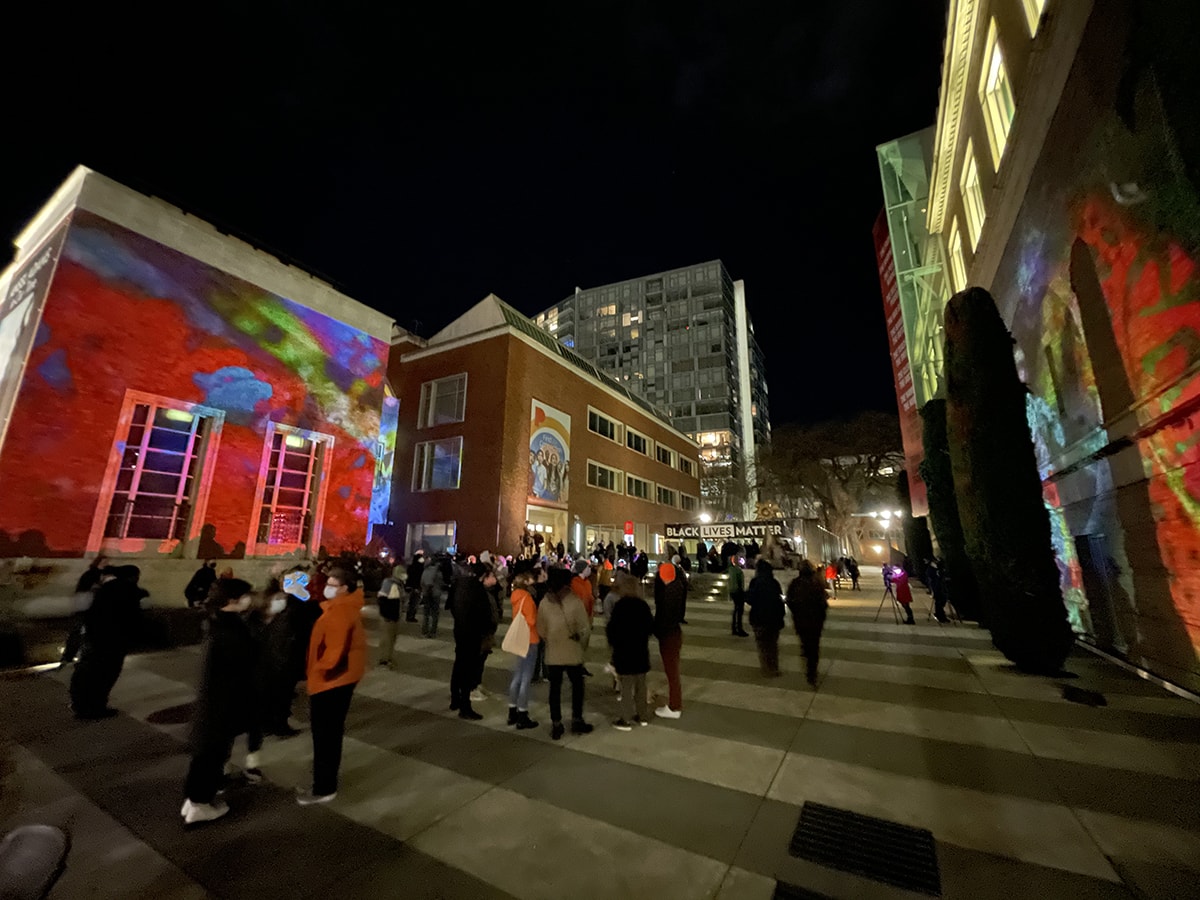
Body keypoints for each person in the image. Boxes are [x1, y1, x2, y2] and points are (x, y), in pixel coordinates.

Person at [181, 578, 260, 825]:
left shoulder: (219, 622)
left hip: (217, 700)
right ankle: (199, 804)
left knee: (209, 753)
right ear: (232, 600)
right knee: (211, 753)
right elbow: (243, 664)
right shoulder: (228, 631)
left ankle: (194, 798)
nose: (249, 600)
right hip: (222, 701)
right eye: (246, 595)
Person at [299, 567, 366, 805]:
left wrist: (319, 672)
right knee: (329, 734)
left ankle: (324, 786)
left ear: (345, 588)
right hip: (338, 678)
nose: (327, 587)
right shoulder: (341, 608)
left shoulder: (341, 612)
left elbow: (335, 653)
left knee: (325, 735)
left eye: (332, 584)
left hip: (332, 682)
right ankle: (324, 782)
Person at [69, 565, 146, 719]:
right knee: (104, 675)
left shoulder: (103, 590)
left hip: (96, 638)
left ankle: (82, 705)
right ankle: (95, 707)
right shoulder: (123, 590)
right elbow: (132, 617)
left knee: (90, 672)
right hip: (112, 640)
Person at [536, 567, 592, 739]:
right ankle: (577, 719)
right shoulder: (574, 601)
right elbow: (584, 629)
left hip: (554, 651)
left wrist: (551, 639)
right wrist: (582, 645)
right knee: (577, 686)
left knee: (555, 688)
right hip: (572, 650)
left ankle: (556, 723)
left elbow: (541, 628)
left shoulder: (545, 602)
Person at [449, 562, 499, 720]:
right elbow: (484, 613)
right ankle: (465, 706)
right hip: (473, 634)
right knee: (467, 669)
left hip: (460, 631)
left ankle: (455, 699)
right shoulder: (476, 590)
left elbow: (450, 606)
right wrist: (486, 630)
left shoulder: (459, 585)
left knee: (459, 665)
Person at [606, 573, 654, 731]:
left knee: (626, 687)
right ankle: (642, 716)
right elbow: (650, 628)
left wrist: (614, 645)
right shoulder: (643, 606)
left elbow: (612, 630)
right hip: (640, 651)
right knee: (641, 686)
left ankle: (625, 719)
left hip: (625, 652)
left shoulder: (621, 607)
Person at [505, 570, 540, 730]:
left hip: (519, 638)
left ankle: (512, 710)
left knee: (517, 676)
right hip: (530, 639)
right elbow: (531, 620)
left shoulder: (515, 597)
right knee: (526, 678)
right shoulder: (527, 598)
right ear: (525, 582)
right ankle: (522, 713)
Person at [59, 555, 108, 668]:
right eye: (104, 562)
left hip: (85, 607)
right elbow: (90, 590)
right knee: (81, 632)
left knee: (80, 632)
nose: (106, 564)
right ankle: (72, 656)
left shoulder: (94, 574)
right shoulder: (94, 575)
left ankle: (70, 657)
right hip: (87, 607)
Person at [786, 561, 829, 686]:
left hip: (801, 620)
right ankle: (812, 673)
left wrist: (795, 613)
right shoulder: (816, 583)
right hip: (815, 622)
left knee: (805, 643)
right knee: (814, 647)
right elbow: (823, 604)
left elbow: (789, 600)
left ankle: (807, 660)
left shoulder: (795, 583)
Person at [653, 561, 685, 719]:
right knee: (672, 671)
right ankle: (675, 704)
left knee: (672, 672)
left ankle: (674, 706)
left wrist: (656, 629)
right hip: (673, 633)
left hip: (668, 635)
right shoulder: (676, 589)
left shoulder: (668, 594)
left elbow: (664, 617)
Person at [746, 559, 784, 677]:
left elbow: (750, 599)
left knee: (762, 645)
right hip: (773, 618)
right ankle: (774, 668)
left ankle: (766, 669)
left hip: (759, 618)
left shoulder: (755, 582)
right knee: (772, 645)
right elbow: (779, 600)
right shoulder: (774, 582)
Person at [376, 564, 404, 667]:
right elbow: (382, 600)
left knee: (392, 638)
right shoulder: (389, 583)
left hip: (395, 615)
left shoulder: (399, 584)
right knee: (387, 639)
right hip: (389, 617)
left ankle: (388, 657)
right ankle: (384, 659)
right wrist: (386, 615)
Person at [420, 554, 449, 637]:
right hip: (436, 594)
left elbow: (422, 582)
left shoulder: (425, 571)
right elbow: (441, 583)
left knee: (426, 614)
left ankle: (424, 630)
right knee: (435, 614)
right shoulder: (439, 573)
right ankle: (433, 631)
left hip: (426, 593)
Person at [727, 554, 748, 637]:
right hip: (738, 592)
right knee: (739, 610)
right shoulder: (737, 570)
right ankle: (739, 628)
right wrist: (742, 592)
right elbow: (739, 583)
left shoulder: (731, 569)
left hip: (733, 591)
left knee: (736, 610)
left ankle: (734, 628)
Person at [404, 552, 425, 622]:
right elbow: (419, 578)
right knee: (414, 602)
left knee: (411, 602)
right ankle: (411, 616)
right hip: (416, 586)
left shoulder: (411, 567)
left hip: (410, 586)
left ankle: (409, 615)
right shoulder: (420, 568)